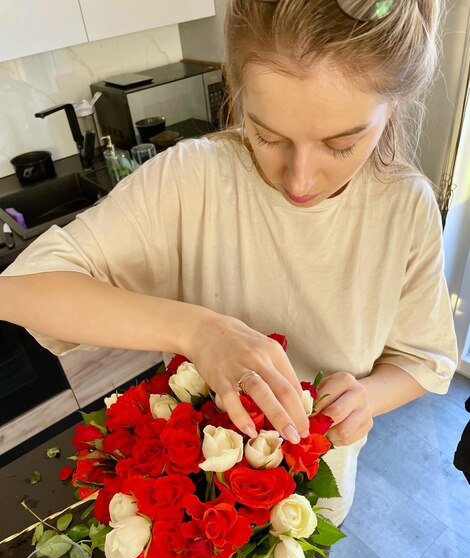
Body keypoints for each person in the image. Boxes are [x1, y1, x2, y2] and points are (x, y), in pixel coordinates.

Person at [0, 0, 457, 527]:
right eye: (267, 135)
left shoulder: (405, 206)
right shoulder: (192, 180)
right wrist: (198, 330)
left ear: (393, 108)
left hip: (314, 500)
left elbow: (423, 359)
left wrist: (367, 398)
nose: (299, 181)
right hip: (197, 499)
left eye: (341, 144)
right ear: (235, 91)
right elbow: (20, 289)